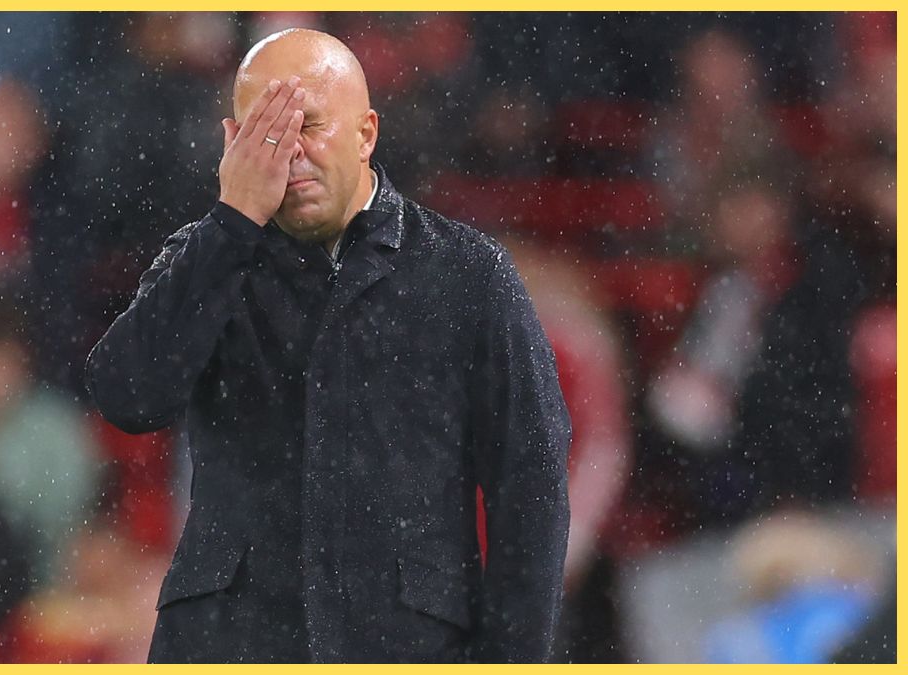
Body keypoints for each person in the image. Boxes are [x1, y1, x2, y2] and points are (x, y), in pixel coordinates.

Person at [84, 28, 571, 664]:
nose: (291, 153)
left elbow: (529, 487)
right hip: (230, 644)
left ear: (367, 133)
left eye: (309, 126)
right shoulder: (204, 260)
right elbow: (127, 395)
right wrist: (231, 224)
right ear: (233, 144)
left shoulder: (468, 275)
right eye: (267, 130)